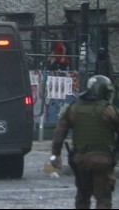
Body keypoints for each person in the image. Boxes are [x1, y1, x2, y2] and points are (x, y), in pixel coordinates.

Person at [50, 75, 119, 209]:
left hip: (80, 160)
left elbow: (60, 131)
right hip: (103, 161)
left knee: (82, 196)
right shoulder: (108, 110)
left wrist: (55, 154)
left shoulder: (74, 108)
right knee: (103, 198)